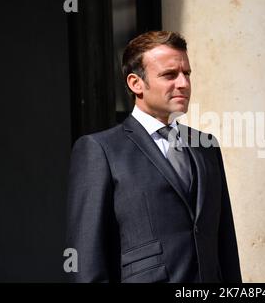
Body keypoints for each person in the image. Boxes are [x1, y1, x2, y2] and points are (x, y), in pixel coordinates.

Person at [66, 31, 242, 283]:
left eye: (187, 74)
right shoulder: (99, 150)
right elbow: (86, 259)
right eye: (169, 75)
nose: (183, 83)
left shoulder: (207, 147)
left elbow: (225, 244)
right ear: (136, 83)